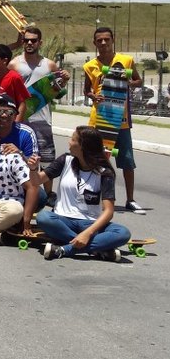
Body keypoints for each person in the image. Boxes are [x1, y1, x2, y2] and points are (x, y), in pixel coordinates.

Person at [34, 126, 131, 261]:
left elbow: (108, 211)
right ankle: (97, 248)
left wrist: (87, 233)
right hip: (63, 220)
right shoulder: (65, 160)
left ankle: (65, 249)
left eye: (73, 140)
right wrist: (33, 168)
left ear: (82, 147)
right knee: (44, 217)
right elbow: (37, 180)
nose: (69, 142)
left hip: (90, 223)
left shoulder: (105, 172)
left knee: (123, 233)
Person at [83, 27, 145, 214]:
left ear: (113, 40)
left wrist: (127, 84)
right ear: (94, 43)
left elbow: (138, 80)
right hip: (99, 120)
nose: (103, 43)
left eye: (106, 39)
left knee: (126, 160)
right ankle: (94, 197)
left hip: (121, 119)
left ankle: (130, 200)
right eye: (99, 40)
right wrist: (93, 97)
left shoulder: (126, 61)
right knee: (96, 160)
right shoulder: (90, 66)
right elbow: (87, 91)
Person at [9, 26, 70, 204]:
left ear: (40, 43)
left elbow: (57, 93)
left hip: (42, 117)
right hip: (21, 117)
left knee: (46, 157)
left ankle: (49, 193)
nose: (29, 43)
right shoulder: (14, 64)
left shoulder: (49, 65)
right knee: (20, 155)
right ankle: (21, 190)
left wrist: (64, 80)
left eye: (33, 40)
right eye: (26, 40)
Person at [0, 44, 29, 120]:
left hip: (11, 121)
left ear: (5, 60)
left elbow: (22, 103)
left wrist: (16, 123)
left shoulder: (14, 77)